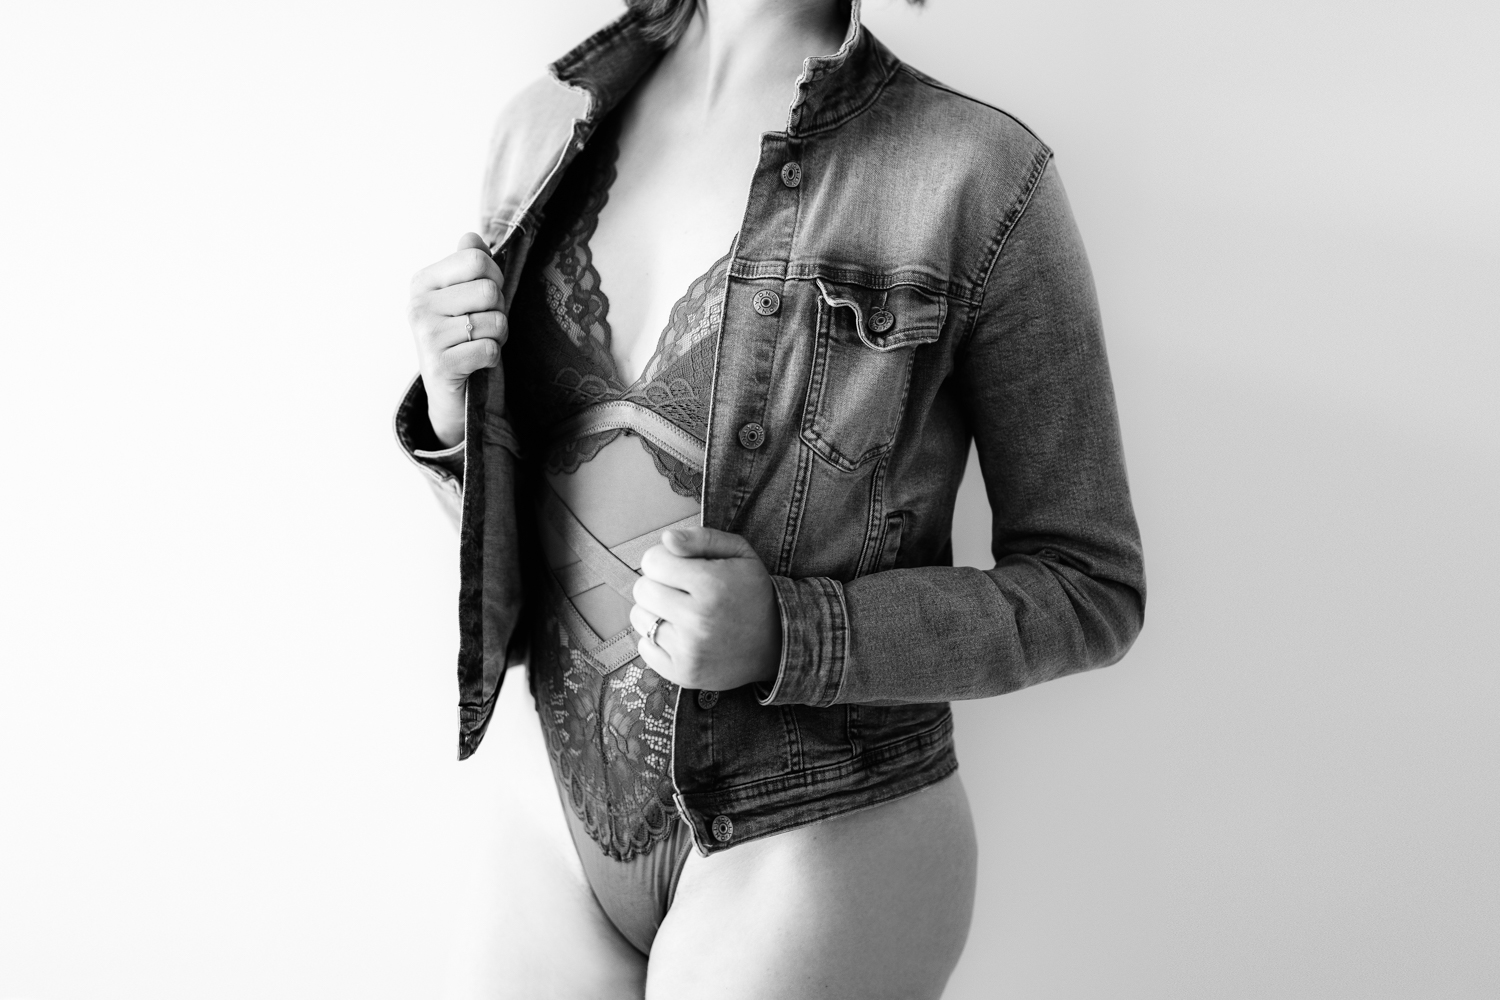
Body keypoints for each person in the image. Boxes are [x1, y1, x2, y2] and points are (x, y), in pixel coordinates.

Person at [396, 0, 1145, 995]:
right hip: (547, 823)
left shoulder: (973, 169)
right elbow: (532, 559)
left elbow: (1090, 587)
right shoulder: (542, 126)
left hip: (815, 841)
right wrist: (456, 416)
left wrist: (793, 632)